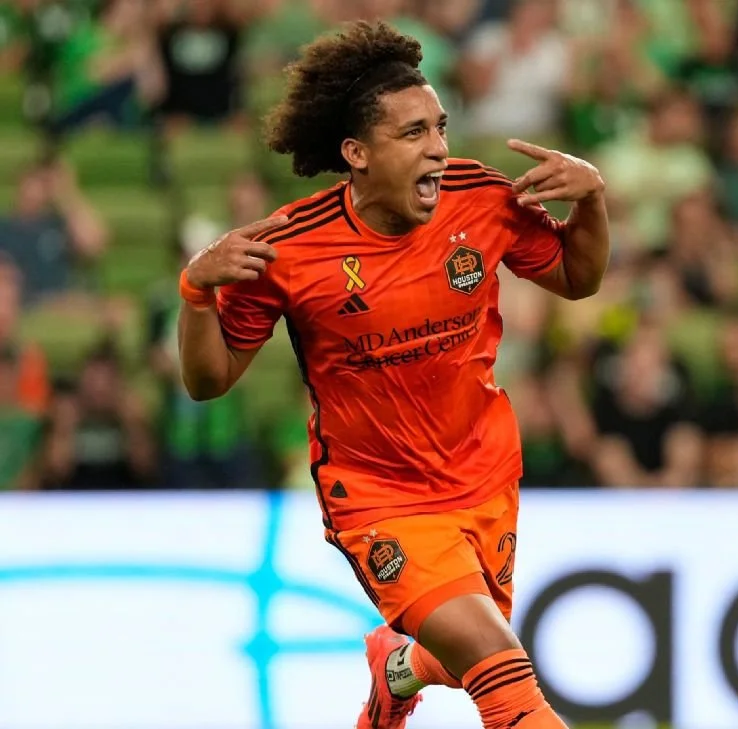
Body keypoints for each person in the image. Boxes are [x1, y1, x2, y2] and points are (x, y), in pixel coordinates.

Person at [174, 21, 609, 729]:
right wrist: (197, 292)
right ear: (357, 153)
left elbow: (576, 277)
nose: (438, 148)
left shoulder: (480, 198)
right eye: (413, 133)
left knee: (464, 656)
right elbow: (208, 380)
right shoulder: (289, 250)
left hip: (484, 470)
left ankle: (395, 669)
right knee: (503, 675)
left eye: (440, 128)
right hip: (381, 497)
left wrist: (591, 200)